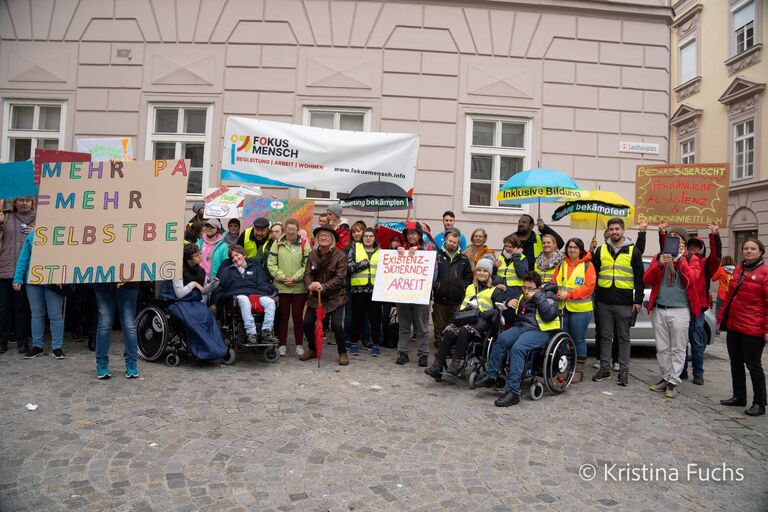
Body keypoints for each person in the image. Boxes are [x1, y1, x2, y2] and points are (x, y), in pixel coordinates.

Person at [474, 271, 560, 406]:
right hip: (521, 327)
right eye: (524, 287)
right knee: (501, 338)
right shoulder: (521, 296)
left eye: (530, 288)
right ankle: (491, 376)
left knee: (518, 348)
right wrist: (508, 304)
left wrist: (537, 296)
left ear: (538, 288)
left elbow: (549, 315)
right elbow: (511, 316)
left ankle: (513, 391)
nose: (526, 291)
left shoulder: (548, 296)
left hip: (540, 330)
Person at [644, 229, 700, 399]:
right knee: (662, 348)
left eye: (678, 238)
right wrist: (659, 264)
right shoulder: (659, 256)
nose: (674, 240)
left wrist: (681, 260)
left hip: (680, 311)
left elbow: (692, 280)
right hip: (660, 309)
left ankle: (674, 381)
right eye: (671, 237)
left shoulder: (691, 259)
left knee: (678, 348)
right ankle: (666, 377)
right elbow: (647, 279)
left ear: (683, 241)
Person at [425, 258, 503, 380]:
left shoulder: (495, 290)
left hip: (481, 321)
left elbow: (498, 309)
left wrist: (485, 314)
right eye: (479, 270)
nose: (482, 273)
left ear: (490, 273)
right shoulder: (470, 287)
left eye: (485, 271)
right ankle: (437, 365)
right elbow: (462, 304)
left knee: (464, 330)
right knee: (450, 331)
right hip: (465, 316)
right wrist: (454, 319)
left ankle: (455, 364)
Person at [591, 218, 644, 386]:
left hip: (625, 303)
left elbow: (639, 278)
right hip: (603, 302)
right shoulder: (601, 250)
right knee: (605, 337)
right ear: (608, 231)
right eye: (611, 229)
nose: (614, 232)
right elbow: (593, 275)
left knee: (623, 338)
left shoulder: (633, 251)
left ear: (623, 231)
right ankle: (605, 369)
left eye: (617, 229)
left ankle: (624, 372)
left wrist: (638, 300)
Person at [717, 238, 767, 417]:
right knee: (735, 362)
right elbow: (730, 297)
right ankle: (739, 396)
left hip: (754, 327)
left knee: (753, 365)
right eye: (746, 248)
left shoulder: (765, 273)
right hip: (735, 324)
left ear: (760, 252)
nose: (748, 251)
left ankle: (760, 403)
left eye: (753, 248)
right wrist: (722, 317)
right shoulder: (739, 269)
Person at [167, 244, 228, 361]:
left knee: (208, 316)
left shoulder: (201, 271)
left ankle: (216, 348)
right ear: (188, 259)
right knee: (194, 319)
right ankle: (202, 350)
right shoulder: (178, 271)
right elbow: (179, 294)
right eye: (197, 255)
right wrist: (194, 284)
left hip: (194, 301)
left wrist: (213, 285)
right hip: (178, 302)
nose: (201, 257)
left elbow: (204, 291)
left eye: (200, 254)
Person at [299, 225, 349, 365]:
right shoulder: (312, 255)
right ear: (317, 238)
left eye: (327, 235)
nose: (323, 237)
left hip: (335, 297)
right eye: (321, 235)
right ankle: (312, 349)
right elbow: (307, 273)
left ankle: (342, 352)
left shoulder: (340, 256)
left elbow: (340, 278)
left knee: (337, 325)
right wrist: (310, 285)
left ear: (332, 239)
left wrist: (324, 286)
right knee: (307, 323)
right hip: (316, 297)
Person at [12, 230, 66, 359]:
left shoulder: (62, 232)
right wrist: (18, 278)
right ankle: (37, 346)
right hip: (33, 280)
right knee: (37, 314)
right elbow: (24, 257)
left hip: (54, 280)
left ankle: (57, 347)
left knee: (55, 315)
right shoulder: (32, 235)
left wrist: (64, 277)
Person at [210, 245, 279, 344]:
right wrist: (214, 302)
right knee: (243, 299)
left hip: (256, 295)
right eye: (232, 257)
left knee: (270, 302)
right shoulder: (227, 270)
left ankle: (266, 332)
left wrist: (266, 293)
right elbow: (219, 287)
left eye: (237, 255)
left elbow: (264, 283)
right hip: (236, 297)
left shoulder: (255, 268)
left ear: (244, 255)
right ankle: (251, 333)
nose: (235, 259)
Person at [679, 224, 721, 384]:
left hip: (698, 310)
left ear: (702, 250)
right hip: (682, 306)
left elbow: (716, 256)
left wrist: (715, 235)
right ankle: (681, 371)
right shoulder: (682, 261)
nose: (694, 251)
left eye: (697, 248)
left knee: (696, 343)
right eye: (692, 248)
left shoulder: (706, 265)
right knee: (681, 343)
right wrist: (663, 234)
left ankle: (698, 374)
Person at [552, 238, 595, 383]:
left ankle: (578, 370)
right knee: (563, 339)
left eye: (576, 247)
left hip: (580, 309)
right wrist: (555, 293)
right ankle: (564, 366)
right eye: (570, 247)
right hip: (563, 307)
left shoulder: (588, 265)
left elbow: (588, 288)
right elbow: (553, 283)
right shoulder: (561, 264)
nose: (572, 250)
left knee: (578, 340)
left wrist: (569, 295)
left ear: (580, 250)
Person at [267, 218, 311, 357]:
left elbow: (307, 265)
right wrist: (282, 277)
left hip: (299, 288)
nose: (291, 231)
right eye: (288, 228)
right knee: (283, 317)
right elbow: (271, 264)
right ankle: (282, 345)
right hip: (282, 287)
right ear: (285, 229)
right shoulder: (277, 244)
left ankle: (299, 345)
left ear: (298, 230)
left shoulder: (305, 244)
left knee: (298, 317)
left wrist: (295, 278)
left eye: (294, 229)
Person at [395, 221, 435, 367]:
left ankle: (423, 354)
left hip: (421, 294)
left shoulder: (428, 249)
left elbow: (433, 272)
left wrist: (419, 255)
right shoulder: (400, 249)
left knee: (422, 326)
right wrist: (400, 254)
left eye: (413, 233)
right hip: (403, 294)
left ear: (419, 234)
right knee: (404, 325)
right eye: (408, 233)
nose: (411, 236)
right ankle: (403, 353)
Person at [431, 228, 473, 351]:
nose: (452, 244)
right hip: (440, 299)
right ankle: (440, 350)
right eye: (450, 241)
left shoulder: (463, 259)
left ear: (458, 243)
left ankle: (449, 349)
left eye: (455, 242)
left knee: (453, 326)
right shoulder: (437, 256)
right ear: (445, 240)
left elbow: (468, 276)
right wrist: (436, 286)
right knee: (439, 326)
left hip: (456, 300)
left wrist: (462, 286)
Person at [347, 227, 383, 357]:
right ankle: (354, 343)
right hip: (358, 290)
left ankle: (375, 344)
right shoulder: (355, 249)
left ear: (375, 238)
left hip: (375, 291)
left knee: (375, 319)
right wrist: (363, 264)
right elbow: (349, 268)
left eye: (371, 236)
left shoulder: (381, 252)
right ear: (362, 238)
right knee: (357, 318)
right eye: (365, 236)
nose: (368, 238)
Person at [93, 281, 140, 379]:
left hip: (128, 282)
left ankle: (131, 363)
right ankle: (102, 363)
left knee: (128, 325)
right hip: (104, 282)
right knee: (105, 324)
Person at [344, 220, 371, 353]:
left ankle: (366, 339)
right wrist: (364, 264)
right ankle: (348, 339)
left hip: (365, 287)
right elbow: (347, 269)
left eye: (359, 231)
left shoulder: (371, 248)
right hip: (350, 287)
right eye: (353, 232)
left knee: (364, 315)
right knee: (350, 314)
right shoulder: (348, 249)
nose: (356, 234)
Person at [711, 255, 736, 333]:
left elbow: (713, 279)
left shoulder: (721, 269)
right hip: (732, 296)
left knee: (718, 312)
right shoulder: (736, 270)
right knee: (730, 313)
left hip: (722, 295)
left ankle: (718, 330)